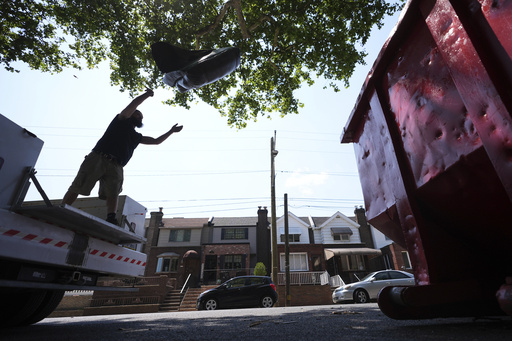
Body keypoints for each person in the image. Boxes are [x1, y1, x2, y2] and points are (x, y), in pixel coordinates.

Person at [62, 88, 183, 225]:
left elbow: (156, 141)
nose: (139, 116)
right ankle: (63, 207)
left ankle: (111, 217)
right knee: (79, 184)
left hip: (117, 165)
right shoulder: (120, 121)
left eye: (141, 117)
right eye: (137, 114)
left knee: (113, 192)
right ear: (131, 115)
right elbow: (133, 105)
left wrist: (171, 131)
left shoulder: (137, 137)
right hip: (98, 158)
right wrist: (146, 95)